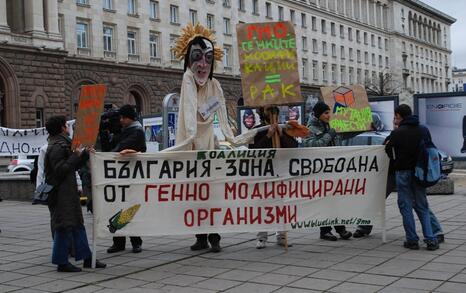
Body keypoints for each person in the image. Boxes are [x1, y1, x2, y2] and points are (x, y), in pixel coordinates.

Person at [170, 24, 257, 253]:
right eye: (197, 58)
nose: (202, 64)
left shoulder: (215, 85)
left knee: (210, 193)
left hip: (208, 147)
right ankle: (201, 237)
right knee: (195, 195)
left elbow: (223, 120)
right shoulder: (187, 79)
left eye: (208, 59)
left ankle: (215, 237)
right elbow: (189, 113)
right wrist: (188, 140)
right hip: (190, 147)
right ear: (188, 60)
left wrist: (237, 138)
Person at [353, 115, 444, 242]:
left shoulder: (407, 131)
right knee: (381, 199)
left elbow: (389, 149)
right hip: (395, 173)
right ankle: (364, 226)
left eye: (396, 118)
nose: (394, 121)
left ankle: (433, 232)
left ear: (402, 119)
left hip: (401, 172)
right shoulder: (401, 132)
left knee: (415, 204)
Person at [44, 115, 105, 272]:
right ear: (62, 128)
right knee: (63, 227)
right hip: (61, 195)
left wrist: (84, 154)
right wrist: (75, 156)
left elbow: (72, 166)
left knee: (77, 224)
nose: (69, 128)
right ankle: (61, 262)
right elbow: (60, 170)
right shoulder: (57, 146)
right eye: (66, 125)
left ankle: (86, 258)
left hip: (68, 193)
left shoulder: (62, 143)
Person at [385, 104, 440, 250]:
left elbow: (388, 149)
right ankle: (431, 239)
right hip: (420, 172)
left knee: (405, 206)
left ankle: (412, 239)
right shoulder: (423, 129)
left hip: (403, 173)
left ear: (399, 116)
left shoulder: (398, 133)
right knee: (422, 205)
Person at [302, 101, 352, 241]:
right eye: (325, 113)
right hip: (320, 171)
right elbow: (314, 145)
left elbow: (342, 136)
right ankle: (325, 231)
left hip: (334, 169)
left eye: (329, 112)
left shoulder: (330, 126)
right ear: (318, 114)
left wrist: (364, 128)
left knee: (336, 200)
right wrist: (329, 134)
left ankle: (340, 229)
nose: (329, 115)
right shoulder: (309, 128)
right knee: (325, 201)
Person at [251, 106, 298, 249]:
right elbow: (254, 151)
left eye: (276, 114)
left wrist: (282, 135)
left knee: (282, 205)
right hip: (264, 173)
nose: (274, 117)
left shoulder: (285, 128)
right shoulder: (258, 130)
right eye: (270, 114)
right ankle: (261, 237)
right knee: (263, 205)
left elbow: (294, 147)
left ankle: (282, 235)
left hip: (281, 171)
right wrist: (268, 136)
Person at [106, 104, 147, 254]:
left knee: (129, 209)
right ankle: (118, 241)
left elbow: (120, 149)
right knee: (116, 208)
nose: (121, 120)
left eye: (123, 118)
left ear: (130, 117)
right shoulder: (124, 130)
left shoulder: (136, 131)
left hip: (131, 176)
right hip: (119, 176)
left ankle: (136, 242)